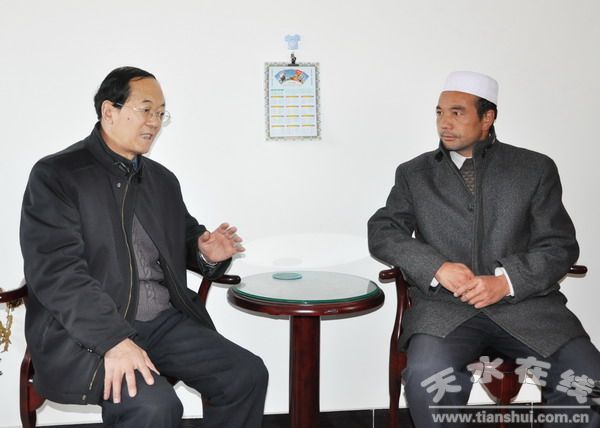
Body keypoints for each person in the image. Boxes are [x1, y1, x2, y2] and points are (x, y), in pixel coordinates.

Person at [20, 66, 268, 428]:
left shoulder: (161, 181)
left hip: (162, 324)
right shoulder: (57, 176)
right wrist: (114, 340)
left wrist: (205, 253)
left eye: (161, 113)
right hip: (87, 331)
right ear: (109, 111)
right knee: (154, 406)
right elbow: (58, 273)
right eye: (146, 109)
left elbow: (185, 238)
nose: (154, 122)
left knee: (245, 374)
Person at [368, 70, 600, 427]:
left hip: (528, 307)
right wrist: (436, 267)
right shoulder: (414, 174)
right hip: (444, 310)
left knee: (588, 379)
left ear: (487, 117)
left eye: (457, 112)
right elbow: (383, 230)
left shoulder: (534, 169)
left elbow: (560, 246)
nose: (444, 123)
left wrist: (506, 281)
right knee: (426, 379)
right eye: (440, 112)